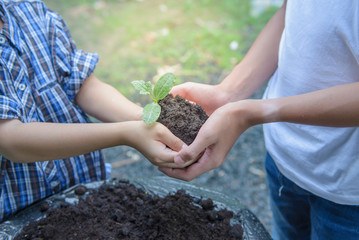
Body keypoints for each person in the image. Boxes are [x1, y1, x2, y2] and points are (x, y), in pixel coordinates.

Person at [159, 1, 359, 239]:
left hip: (347, 188)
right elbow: (297, 11)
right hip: (284, 158)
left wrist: (252, 113)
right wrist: (229, 93)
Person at [0, 0, 185, 222]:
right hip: (16, 215)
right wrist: (126, 133)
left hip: (84, 193)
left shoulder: (27, 10)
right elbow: (11, 140)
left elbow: (83, 85)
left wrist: (146, 121)